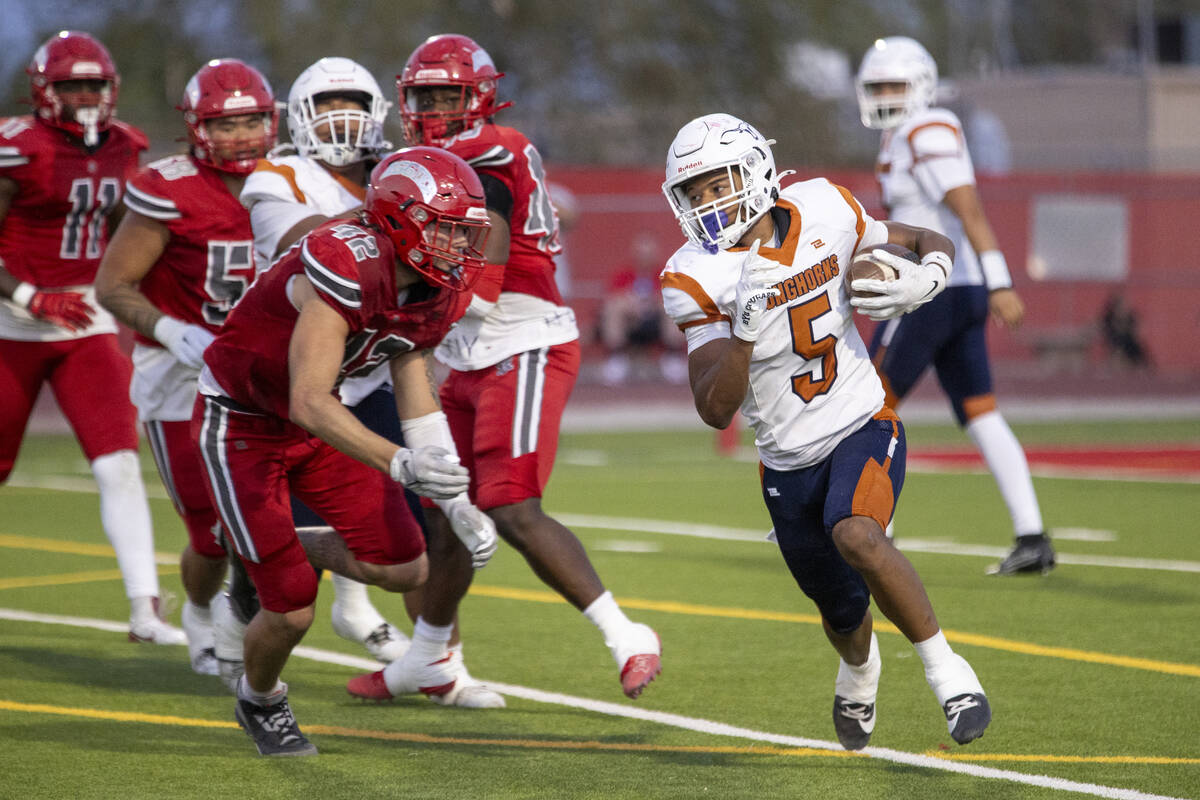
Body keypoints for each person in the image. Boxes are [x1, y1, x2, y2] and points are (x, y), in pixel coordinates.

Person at [659, 112, 990, 749]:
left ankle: (950, 674)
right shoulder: (693, 275)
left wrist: (928, 278)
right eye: (693, 193)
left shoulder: (826, 207)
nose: (708, 203)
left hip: (862, 417)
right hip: (786, 458)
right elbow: (714, 408)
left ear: (755, 170)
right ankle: (861, 671)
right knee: (841, 612)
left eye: (716, 183)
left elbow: (924, 236)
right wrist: (745, 337)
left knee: (858, 533)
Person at [346, 34, 661, 703]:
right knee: (440, 509)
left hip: (519, 338)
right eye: (424, 96)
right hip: (468, 351)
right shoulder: (439, 156)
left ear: (479, 97)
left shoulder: (489, 152)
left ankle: (626, 635)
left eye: (446, 96)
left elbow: (481, 291)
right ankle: (429, 659)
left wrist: (398, 314)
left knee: (509, 504)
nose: (433, 109)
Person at [194, 147, 498, 757]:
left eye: (463, 232)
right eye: (443, 227)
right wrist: (399, 463)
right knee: (291, 613)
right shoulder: (343, 259)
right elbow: (307, 399)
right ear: (395, 217)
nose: (456, 245)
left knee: (405, 568)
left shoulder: (436, 288)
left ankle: (260, 544)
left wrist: (455, 498)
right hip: (244, 421)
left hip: (312, 425)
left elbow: (413, 375)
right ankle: (262, 701)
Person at [222, 55, 437, 692]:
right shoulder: (278, 174)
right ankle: (253, 604)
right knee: (290, 577)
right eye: (324, 105)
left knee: (415, 535)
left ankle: (436, 664)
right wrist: (411, 217)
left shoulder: (394, 173)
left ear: (378, 114)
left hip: (369, 370)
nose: (340, 117)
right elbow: (316, 242)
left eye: (352, 103)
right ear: (299, 116)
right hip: (285, 379)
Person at [94, 58, 279, 676]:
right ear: (197, 129)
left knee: (273, 511)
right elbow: (114, 286)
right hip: (180, 374)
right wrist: (173, 330)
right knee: (209, 531)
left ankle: (272, 617)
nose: (241, 137)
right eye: (225, 126)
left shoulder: (291, 178)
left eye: (252, 121)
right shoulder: (168, 187)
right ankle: (200, 611)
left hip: (263, 371)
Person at [0, 30, 183, 645]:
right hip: (9, 321)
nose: (83, 95)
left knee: (119, 465)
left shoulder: (126, 147)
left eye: (93, 84)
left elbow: (122, 233)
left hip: (85, 317)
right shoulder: (17, 146)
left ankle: (144, 610)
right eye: (70, 84)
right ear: (43, 90)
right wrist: (28, 295)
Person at [855, 36, 1054, 576]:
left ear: (921, 84)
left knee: (864, 402)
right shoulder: (904, 135)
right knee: (980, 411)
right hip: (951, 290)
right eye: (877, 87)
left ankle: (873, 534)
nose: (886, 96)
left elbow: (968, 209)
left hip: (931, 292)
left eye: (895, 85)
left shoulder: (927, 128)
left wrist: (1002, 282)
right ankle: (1032, 536)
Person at [598, 232, 687, 386]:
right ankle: (616, 358)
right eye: (641, 253)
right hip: (631, 320)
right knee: (615, 306)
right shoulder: (623, 275)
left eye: (648, 253)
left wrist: (652, 303)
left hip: (657, 320)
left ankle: (672, 356)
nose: (645, 257)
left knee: (673, 304)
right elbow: (611, 299)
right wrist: (632, 304)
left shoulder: (666, 273)